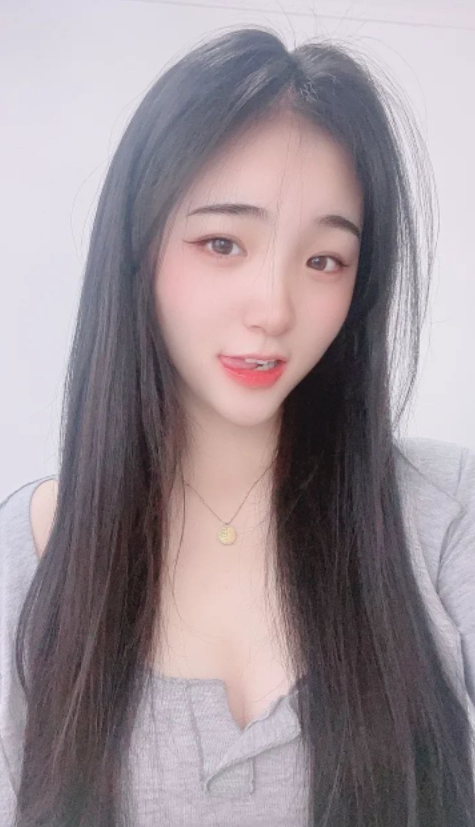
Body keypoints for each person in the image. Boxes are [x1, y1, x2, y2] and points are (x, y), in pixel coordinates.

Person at [1, 25, 474, 827]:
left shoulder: (442, 514)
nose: (274, 308)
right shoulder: (28, 561)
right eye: (222, 243)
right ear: (138, 245)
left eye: (323, 260)